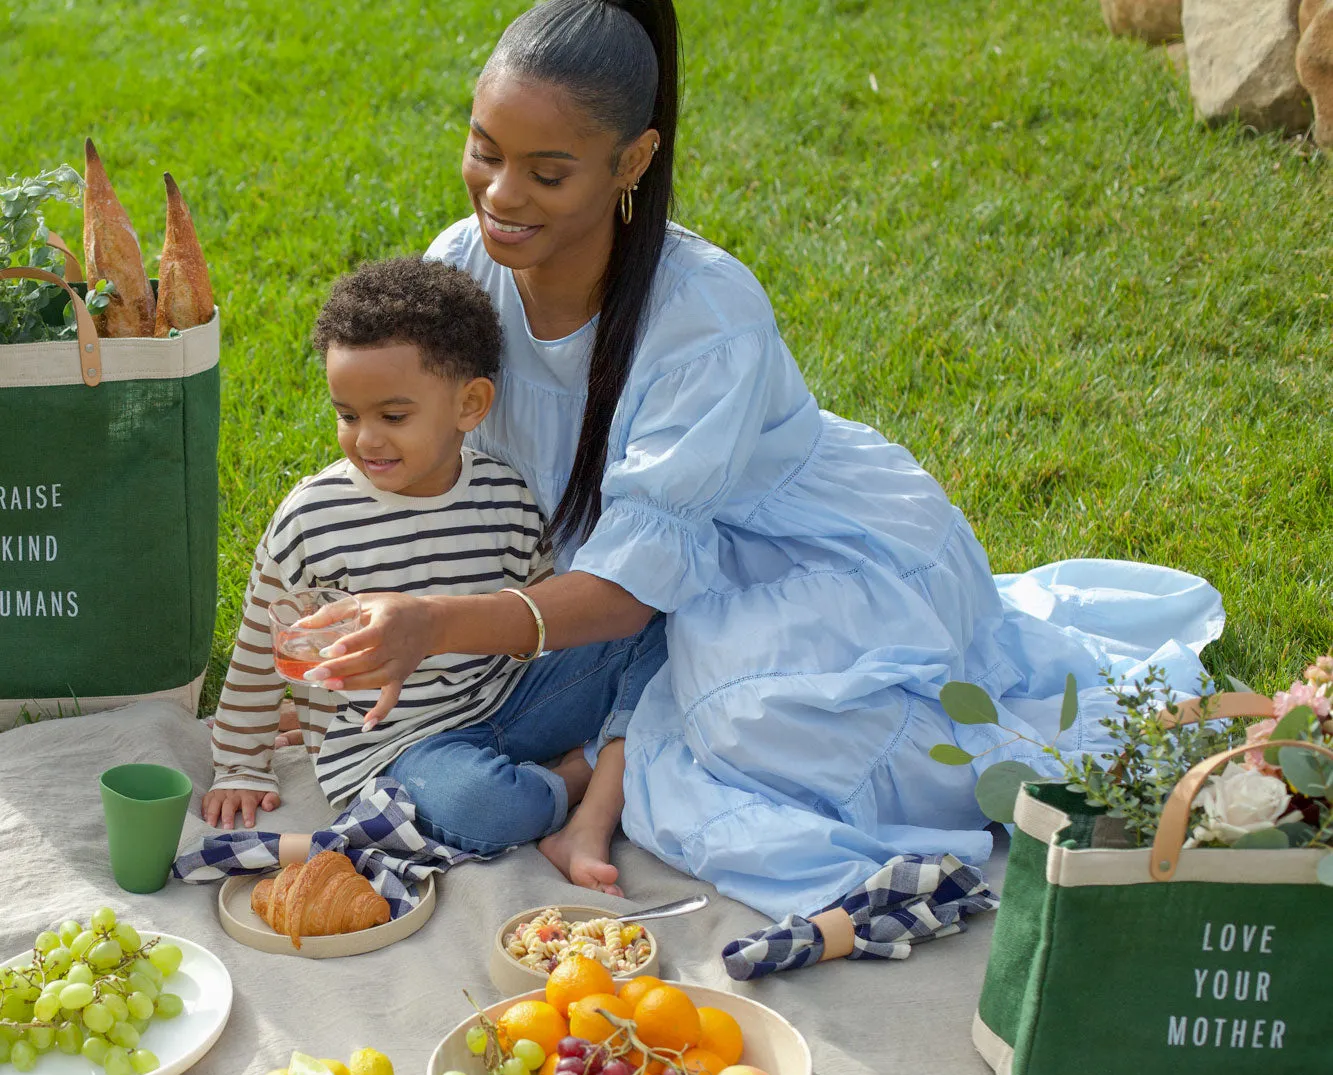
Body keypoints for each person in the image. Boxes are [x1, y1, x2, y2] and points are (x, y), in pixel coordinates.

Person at [301, 0, 1223, 922]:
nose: (500, 195)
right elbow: (430, 459)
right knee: (629, 686)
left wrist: (431, 622)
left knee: (743, 722)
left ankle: (598, 774)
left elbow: (630, 588)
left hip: (797, 552)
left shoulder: (704, 310)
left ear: (631, 162)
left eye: (546, 173)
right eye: (484, 150)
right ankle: (601, 766)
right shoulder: (462, 267)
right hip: (611, 584)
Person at [203, 256, 666, 893]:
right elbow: (260, 645)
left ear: (469, 404)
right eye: (347, 414)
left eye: (392, 417)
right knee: (486, 807)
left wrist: (574, 677)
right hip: (395, 747)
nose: (365, 439)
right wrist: (240, 764)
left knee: (657, 625)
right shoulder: (313, 519)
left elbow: (542, 617)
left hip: (510, 699)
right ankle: (575, 778)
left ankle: (569, 775)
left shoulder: (507, 498)